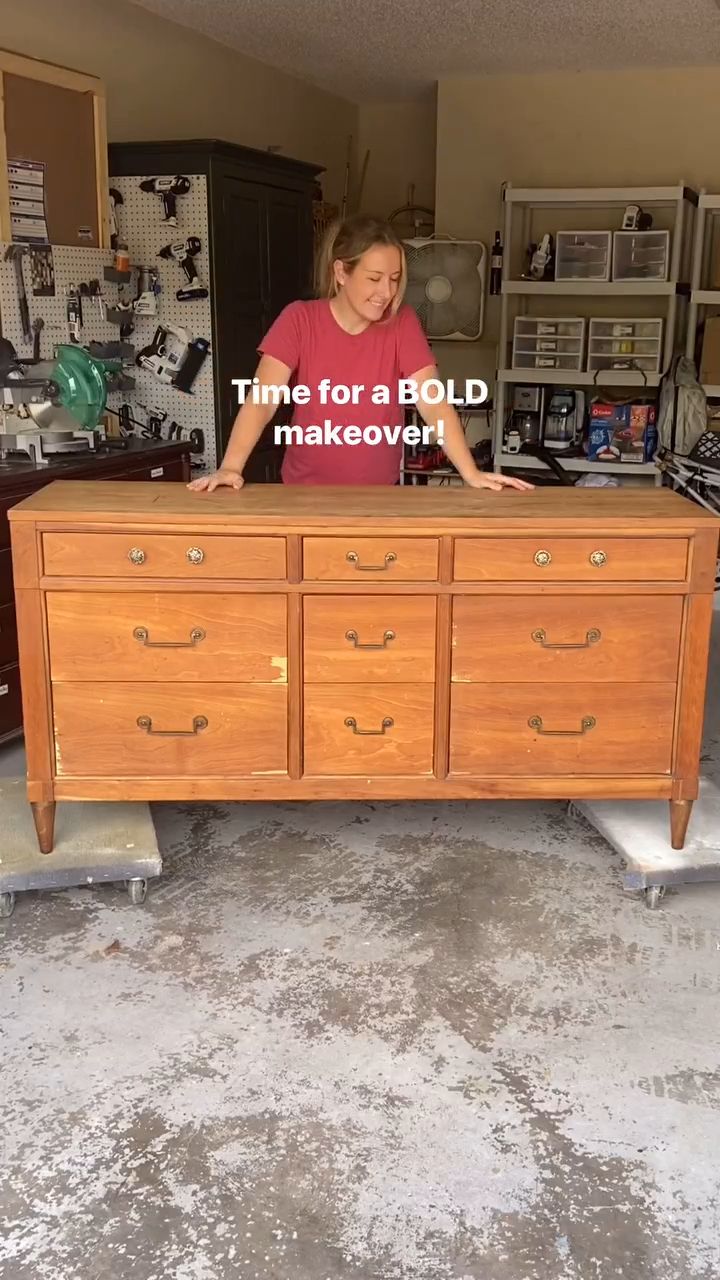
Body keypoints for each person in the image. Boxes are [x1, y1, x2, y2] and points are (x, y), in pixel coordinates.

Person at [187, 214, 533, 493]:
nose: (387, 291)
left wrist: (471, 473)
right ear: (341, 272)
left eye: (395, 278)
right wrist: (231, 467)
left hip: (379, 495)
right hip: (304, 493)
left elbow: (432, 402)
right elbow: (261, 401)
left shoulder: (402, 323)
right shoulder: (299, 319)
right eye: (375, 278)